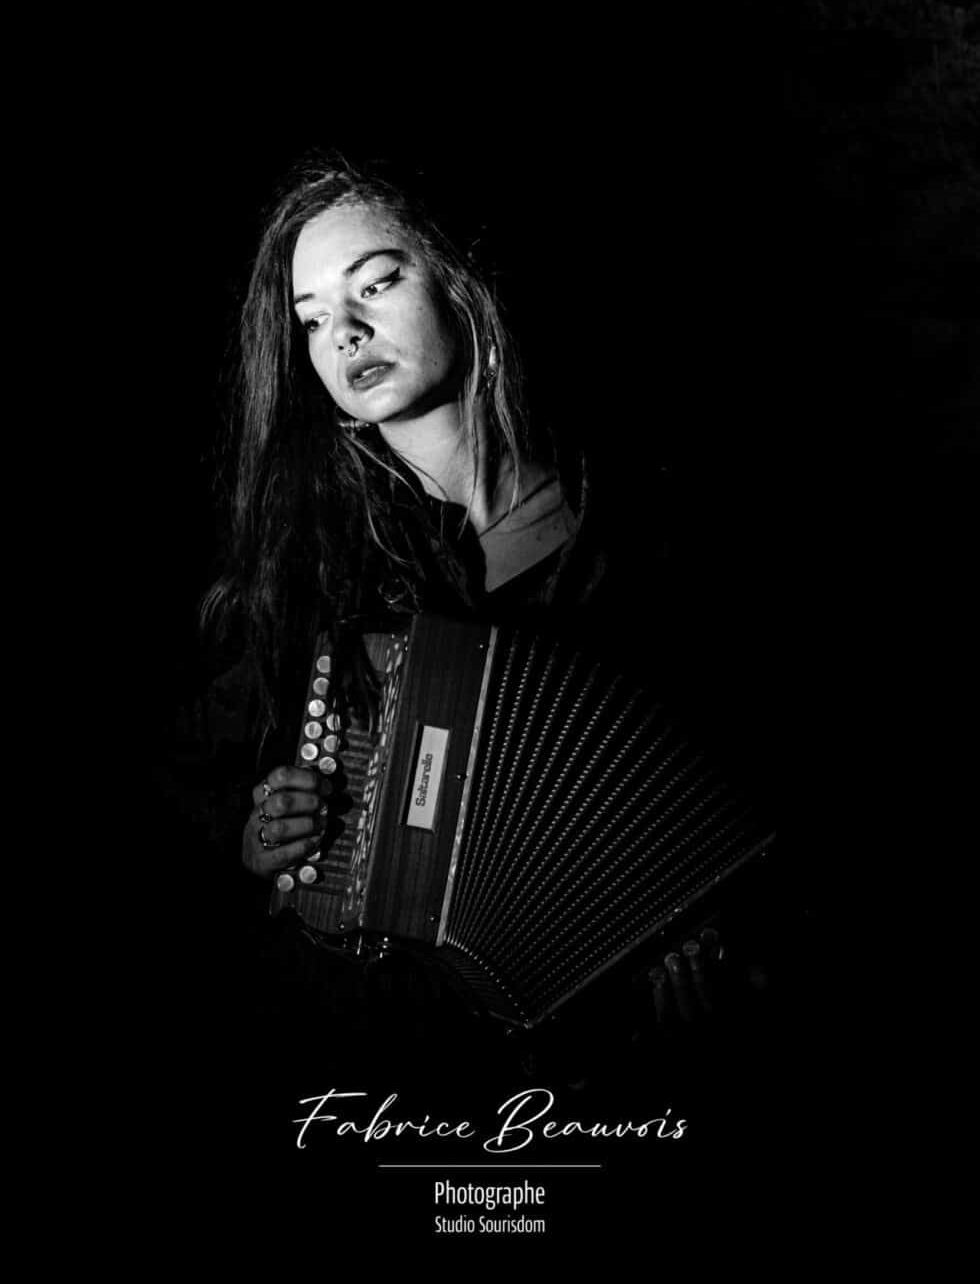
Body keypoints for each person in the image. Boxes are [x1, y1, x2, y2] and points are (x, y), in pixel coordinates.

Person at [180, 151, 786, 1116]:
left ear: (462, 283)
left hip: (630, 1066)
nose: (346, 332)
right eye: (313, 320)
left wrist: (712, 936)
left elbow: (756, 784)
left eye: (378, 283)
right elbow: (204, 794)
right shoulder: (310, 572)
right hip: (383, 1061)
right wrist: (264, 837)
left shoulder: (646, 529)